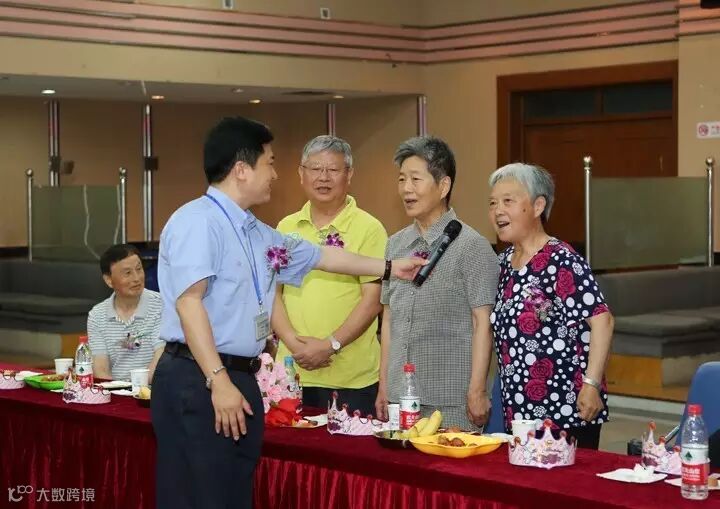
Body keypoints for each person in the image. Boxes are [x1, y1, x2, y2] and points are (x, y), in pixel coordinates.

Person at [152, 117, 425, 509]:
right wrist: (218, 380)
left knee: (231, 495)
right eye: (270, 163)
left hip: (238, 376)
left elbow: (322, 256)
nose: (275, 174)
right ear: (242, 169)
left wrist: (389, 267)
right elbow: (189, 302)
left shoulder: (255, 231)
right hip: (200, 378)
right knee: (196, 495)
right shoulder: (197, 222)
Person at [374, 136, 499, 431]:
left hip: (452, 399)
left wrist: (477, 389)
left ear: (443, 186)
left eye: (415, 179)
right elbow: (388, 318)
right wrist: (384, 385)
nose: (406, 188)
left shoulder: (472, 246)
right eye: (402, 179)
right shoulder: (395, 244)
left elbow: (483, 322)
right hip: (399, 397)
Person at [487, 163, 614, 450]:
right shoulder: (502, 264)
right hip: (519, 411)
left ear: (538, 206)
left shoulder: (561, 259)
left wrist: (591, 384)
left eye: (508, 201)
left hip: (567, 409)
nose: (497, 211)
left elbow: (602, 321)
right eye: (492, 203)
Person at [272, 135, 387, 415]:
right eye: (315, 168)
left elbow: (373, 300)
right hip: (291, 373)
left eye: (333, 169)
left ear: (349, 174)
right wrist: (294, 345)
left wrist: (330, 345)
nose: (323, 177)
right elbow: (272, 293)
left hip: (352, 378)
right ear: (301, 174)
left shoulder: (370, 228)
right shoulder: (285, 227)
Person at [87, 244, 164, 382]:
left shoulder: (160, 305)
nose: (136, 278)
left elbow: (160, 357)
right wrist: (117, 391)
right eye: (127, 273)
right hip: (116, 390)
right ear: (109, 280)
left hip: (152, 389)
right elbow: (100, 368)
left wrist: (137, 389)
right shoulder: (97, 315)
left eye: (139, 269)